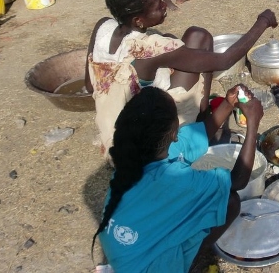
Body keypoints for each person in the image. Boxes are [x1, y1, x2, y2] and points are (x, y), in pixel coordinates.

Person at [85, 0, 277, 155]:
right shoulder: (150, 49)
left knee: (184, 38)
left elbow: (89, 84)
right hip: (145, 148)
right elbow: (224, 60)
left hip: (113, 135)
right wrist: (263, 22)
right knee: (199, 38)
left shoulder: (103, 26)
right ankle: (202, 130)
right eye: (157, 6)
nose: (163, 5)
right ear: (138, 20)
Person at [92, 86, 264, 272]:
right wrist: (253, 124)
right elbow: (238, 181)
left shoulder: (137, 157)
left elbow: (200, 133)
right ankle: (186, 264)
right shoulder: (174, 179)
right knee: (229, 201)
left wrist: (228, 104)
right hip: (150, 266)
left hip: (127, 254)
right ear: (174, 132)